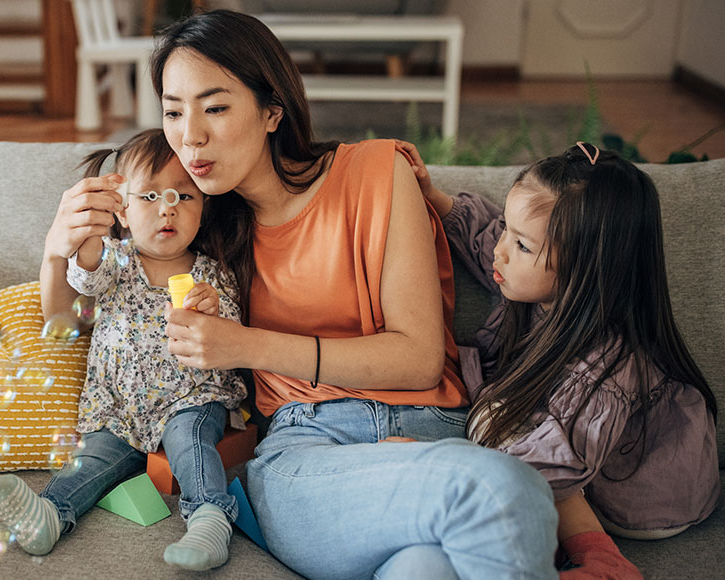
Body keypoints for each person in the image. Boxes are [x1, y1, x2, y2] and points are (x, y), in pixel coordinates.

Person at [147, 10, 560, 580]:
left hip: (429, 435)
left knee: (427, 569)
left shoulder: (376, 172)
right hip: (305, 459)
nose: (190, 135)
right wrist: (60, 250)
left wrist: (245, 344)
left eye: (215, 107)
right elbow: (104, 295)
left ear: (272, 111)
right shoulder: (196, 227)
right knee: (503, 488)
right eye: (173, 111)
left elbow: (416, 360)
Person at [397, 139, 720, 577]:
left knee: (517, 446)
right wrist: (436, 199)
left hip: (646, 491)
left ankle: (604, 561)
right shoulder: (536, 282)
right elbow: (487, 237)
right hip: (577, 447)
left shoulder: (606, 365)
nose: (501, 251)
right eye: (509, 231)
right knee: (502, 419)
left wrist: (440, 461)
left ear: (585, 268)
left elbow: (558, 462)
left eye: (522, 246)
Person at [0, 129, 247, 572]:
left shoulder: (212, 275)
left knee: (192, 445)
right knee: (90, 462)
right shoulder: (114, 261)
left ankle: (209, 518)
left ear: (203, 208)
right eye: (149, 196)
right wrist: (87, 236)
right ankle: (49, 514)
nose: (168, 208)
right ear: (121, 211)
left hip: (191, 398)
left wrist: (213, 311)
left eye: (184, 197)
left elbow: (235, 340)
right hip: (117, 409)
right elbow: (83, 274)